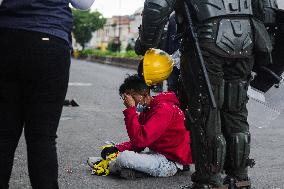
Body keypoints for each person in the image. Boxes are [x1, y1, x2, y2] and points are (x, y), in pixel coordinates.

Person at [134, 0, 272, 188]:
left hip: (205, 43)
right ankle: (239, 177)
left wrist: (145, 43)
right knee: (236, 110)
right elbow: (268, 10)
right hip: (246, 40)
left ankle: (209, 180)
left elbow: (156, 6)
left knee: (205, 111)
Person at [0, 0, 94, 188]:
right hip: (49, 38)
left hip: (6, 37)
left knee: (3, 133)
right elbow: (83, 3)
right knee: (42, 136)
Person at [88, 74, 192, 178]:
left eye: (132, 97)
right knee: (113, 148)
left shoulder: (163, 109)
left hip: (170, 162)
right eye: (127, 98)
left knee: (124, 158)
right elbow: (138, 144)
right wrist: (117, 148)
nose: (129, 101)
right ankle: (126, 169)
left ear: (145, 94)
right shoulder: (149, 109)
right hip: (158, 155)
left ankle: (116, 166)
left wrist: (130, 110)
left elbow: (140, 140)